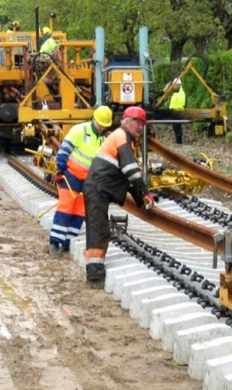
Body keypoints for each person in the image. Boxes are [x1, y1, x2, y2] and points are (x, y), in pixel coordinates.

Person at [83, 106, 155, 285]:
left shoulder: (122, 138)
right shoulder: (122, 137)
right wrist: (145, 191)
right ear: (127, 122)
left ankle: (95, 274)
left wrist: (140, 198)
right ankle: (94, 277)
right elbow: (130, 171)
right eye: (138, 123)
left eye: (143, 124)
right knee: (98, 232)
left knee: (99, 229)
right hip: (97, 189)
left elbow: (125, 177)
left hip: (99, 189)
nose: (140, 128)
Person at [49, 106, 113, 257]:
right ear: (94, 120)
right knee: (65, 207)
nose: (102, 127)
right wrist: (59, 170)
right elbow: (64, 151)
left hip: (89, 181)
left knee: (80, 211)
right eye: (101, 124)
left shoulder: (103, 139)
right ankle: (55, 242)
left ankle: (68, 242)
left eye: (105, 125)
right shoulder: (79, 130)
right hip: (72, 175)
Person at [168, 78, 186, 144]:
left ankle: (179, 140)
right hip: (174, 112)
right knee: (175, 126)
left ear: (178, 85)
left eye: (175, 85)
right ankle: (177, 140)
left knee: (177, 126)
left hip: (178, 111)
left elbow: (182, 103)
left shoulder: (181, 93)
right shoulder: (176, 93)